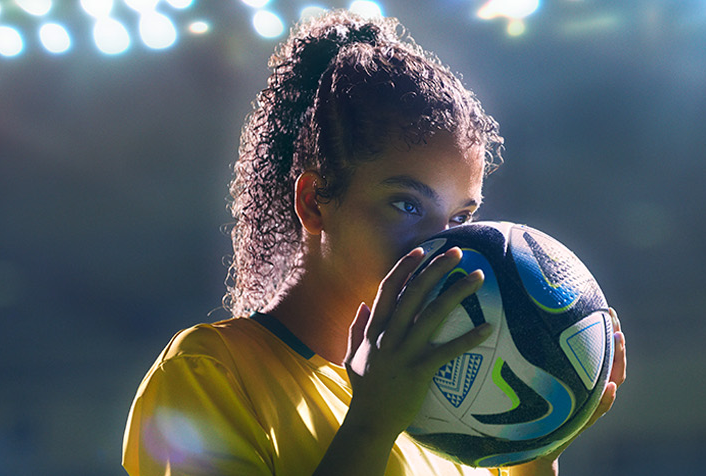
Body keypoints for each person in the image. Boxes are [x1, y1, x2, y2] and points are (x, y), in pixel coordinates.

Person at [122, 10, 628, 476]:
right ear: (316, 201)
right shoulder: (209, 374)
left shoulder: (461, 419)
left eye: (460, 216)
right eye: (407, 205)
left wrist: (535, 450)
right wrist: (371, 425)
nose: (442, 242)